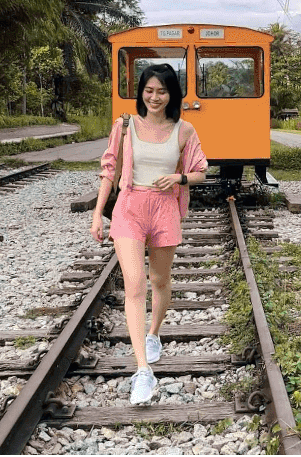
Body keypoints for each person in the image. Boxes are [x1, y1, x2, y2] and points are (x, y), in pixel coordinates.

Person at [91, 63, 209, 407]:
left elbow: (201, 170)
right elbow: (108, 171)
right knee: (135, 286)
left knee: (159, 280)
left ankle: (154, 333)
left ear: (172, 94)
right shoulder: (124, 125)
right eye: (149, 90)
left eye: (162, 91)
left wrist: (179, 179)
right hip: (129, 207)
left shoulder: (184, 130)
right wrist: (98, 213)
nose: (154, 97)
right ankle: (143, 370)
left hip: (164, 208)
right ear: (140, 92)